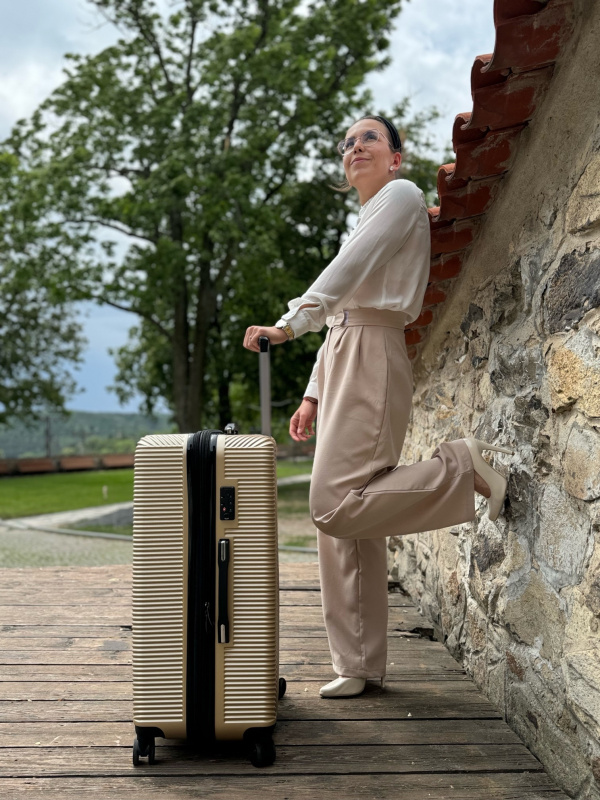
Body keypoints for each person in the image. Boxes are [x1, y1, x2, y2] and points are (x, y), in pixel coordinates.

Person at [243, 114, 514, 699]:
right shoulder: (364, 218)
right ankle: (358, 663)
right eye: (347, 142)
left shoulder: (401, 195)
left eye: (369, 137)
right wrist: (314, 393)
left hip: (373, 351)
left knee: (333, 504)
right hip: (346, 351)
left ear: (395, 157)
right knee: (351, 524)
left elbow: (343, 278)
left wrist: (289, 324)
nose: (355, 146)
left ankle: (460, 466)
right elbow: (343, 309)